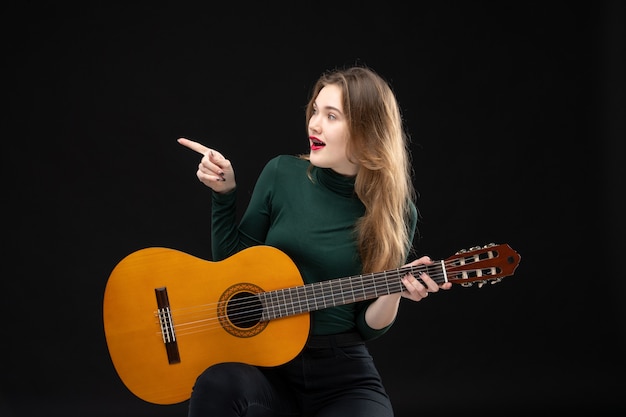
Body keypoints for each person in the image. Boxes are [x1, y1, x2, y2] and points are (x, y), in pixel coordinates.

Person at [177, 65, 452, 417]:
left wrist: (394, 290)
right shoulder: (281, 173)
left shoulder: (396, 212)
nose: (314, 124)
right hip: (266, 365)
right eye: (315, 111)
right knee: (217, 383)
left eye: (331, 116)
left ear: (367, 131)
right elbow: (232, 269)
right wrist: (224, 194)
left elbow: (366, 325)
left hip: (341, 372)